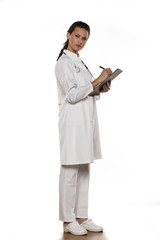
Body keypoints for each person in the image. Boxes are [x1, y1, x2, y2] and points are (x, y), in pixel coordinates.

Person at [55, 21, 112, 236]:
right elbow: (71, 95)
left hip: (85, 123)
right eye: (77, 36)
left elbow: (86, 90)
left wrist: (101, 88)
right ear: (68, 35)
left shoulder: (79, 62)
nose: (80, 41)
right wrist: (98, 79)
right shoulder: (63, 63)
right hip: (72, 124)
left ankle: (81, 216)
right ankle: (68, 220)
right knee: (70, 169)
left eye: (84, 38)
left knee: (84, 170)